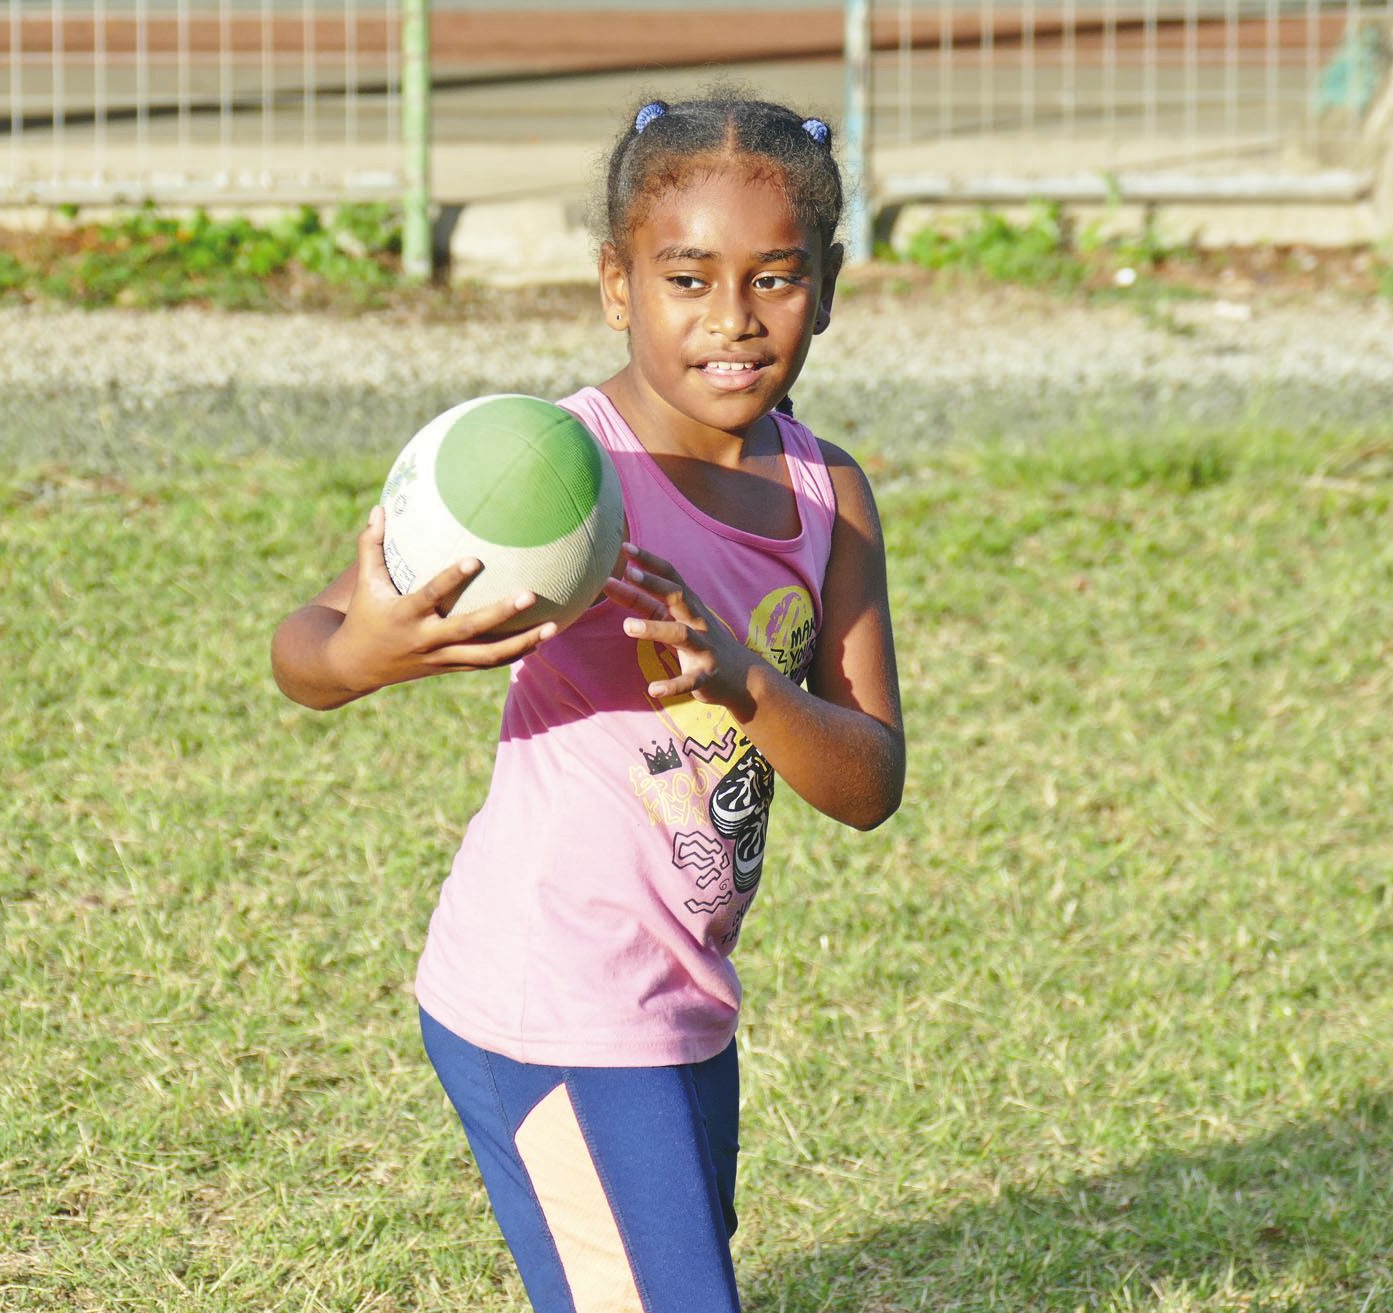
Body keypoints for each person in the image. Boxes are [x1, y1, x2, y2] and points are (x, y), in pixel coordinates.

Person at [271, 93, 905, 1313]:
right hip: (548, 1000)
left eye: (774, 279)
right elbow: (303, 648)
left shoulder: (831, 495)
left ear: (827, 287)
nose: (732, 318)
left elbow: (868, 780)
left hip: (684, 1006)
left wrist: (745, 682)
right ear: (616, 285)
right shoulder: (548, 465)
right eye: (685, 278)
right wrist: (367, 652)